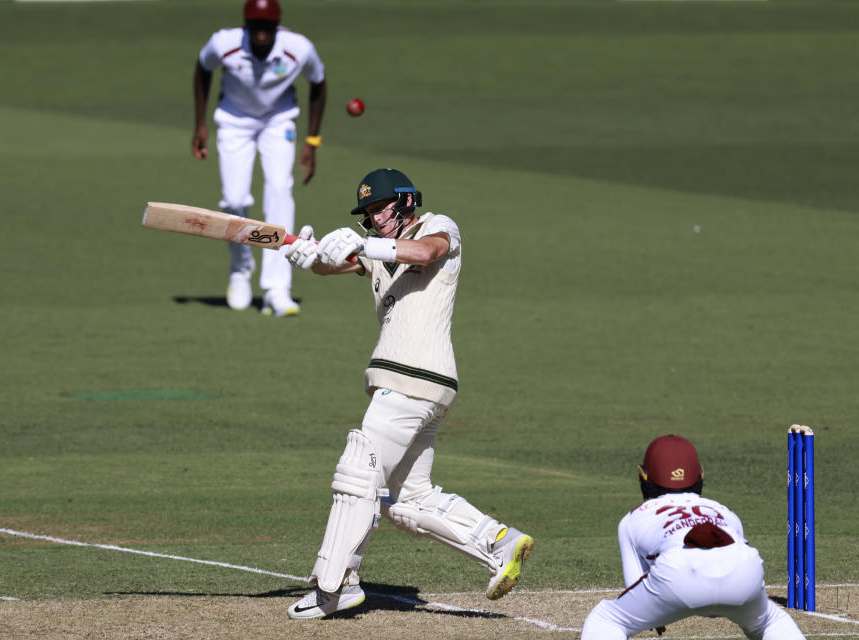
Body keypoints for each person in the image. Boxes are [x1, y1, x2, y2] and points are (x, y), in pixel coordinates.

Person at [279, 168, 535, 619]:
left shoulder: (439, 226)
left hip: (410, 377)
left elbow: (424, 252)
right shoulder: (376, 252)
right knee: (409, 500)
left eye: (381, 207)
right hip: (422, 385)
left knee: (358, 472)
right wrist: (303, 254)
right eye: (369, 212)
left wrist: (363, 245)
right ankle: (499, 542)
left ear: (406, 201)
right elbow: (332, 263)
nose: (375, 218)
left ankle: (334, 585)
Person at [581, 434, 806, 640]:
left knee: (606, 619)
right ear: (700, 476)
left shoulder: (632, 519)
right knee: (771, 622)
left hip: (678, 572)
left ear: (644, 477)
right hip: (744, 569)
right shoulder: (724, 510)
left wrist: (656, 614)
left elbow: (634, 584)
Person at [192, 0, 326, 317]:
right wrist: (199, 124)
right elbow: (202, 69)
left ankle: (276, 289)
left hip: (278, 121)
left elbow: (318, 82)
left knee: (280, 191)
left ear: (277, 25)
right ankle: (240, 267)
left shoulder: (299, 48)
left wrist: (312, 141)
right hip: (234, 121)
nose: (262, 34)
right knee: (234, 200)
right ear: (246, 25)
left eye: (267, 27)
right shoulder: (223, 43)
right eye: (255, 26)